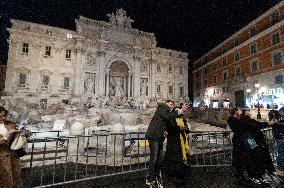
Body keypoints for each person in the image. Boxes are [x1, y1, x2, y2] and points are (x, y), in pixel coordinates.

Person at [145, 100, 189, 186]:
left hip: (159, 138)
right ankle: (149, 178)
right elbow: (167, 117)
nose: (172, 106)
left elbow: (165, 123)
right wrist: (181, 110)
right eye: (170, 104)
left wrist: (165, 130)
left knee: (160, 158)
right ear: (166, 104)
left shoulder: (167, 113)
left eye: (173, 105)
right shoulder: (161, 108)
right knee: (154, 158)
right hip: (153, 137)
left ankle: (156, 174)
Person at [240, 110, 275, 184]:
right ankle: (255, 176)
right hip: (253, 144)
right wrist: (268, 123)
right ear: (245, 114)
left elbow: (256, 124)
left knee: (257, 160)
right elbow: (257, 124)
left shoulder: (246, 121)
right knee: (254, 160)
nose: (249, 112)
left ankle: (259, 176)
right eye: (247, 112)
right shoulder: (246, 120)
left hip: (255, 144)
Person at [163, 109, 190, 188]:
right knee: (174, 159)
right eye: (178, 111)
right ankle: (173, 176)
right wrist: (182, 128)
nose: (181, 113)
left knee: (180, 159)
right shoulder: (171, 120)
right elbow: (173, 129)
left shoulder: (183, 120)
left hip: (182, 143)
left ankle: (178, 177)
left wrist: (182, 128)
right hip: (173, 143)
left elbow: (187, 130)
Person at [0, 106, 22, 188]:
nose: (3, 118)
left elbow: (16, 137)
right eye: (0, 116)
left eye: (4, 115)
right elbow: (5, 137)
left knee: (15, 181)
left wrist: (23, 134)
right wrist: (6, 136)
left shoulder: (10, 124)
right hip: (1, 160)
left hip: (13, 158)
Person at [269, 107, 284, 178]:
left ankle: (281, 169)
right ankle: (281, 169)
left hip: (280, 138)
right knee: (281, 153)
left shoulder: (278, 118)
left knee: (281, 153)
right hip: (280, 138)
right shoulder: (278, 118)